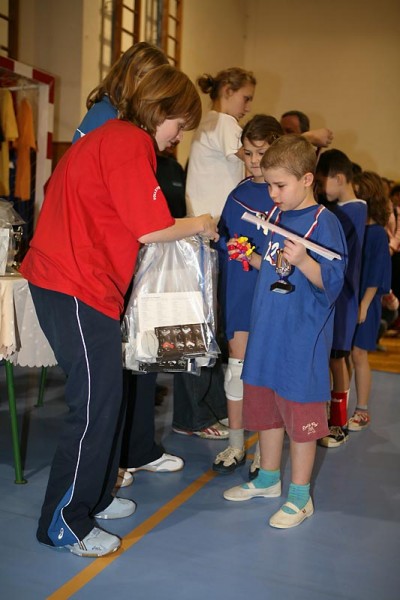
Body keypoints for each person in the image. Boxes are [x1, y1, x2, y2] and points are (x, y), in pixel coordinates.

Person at [19, 64, 219, 557]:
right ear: (160, 110)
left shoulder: (107, 136)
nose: (177, 137)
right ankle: (66, 522)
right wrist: (199, 222)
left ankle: (95, 497)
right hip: (74, 284)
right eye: (179, 125)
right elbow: (150, 227)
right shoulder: (129, 140)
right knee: (95, 405)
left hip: (77, 282)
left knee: (108, 400)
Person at [73, 42, 184, 487]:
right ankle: (114, 463)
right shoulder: (108, 121)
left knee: (142, 355)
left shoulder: (131, 127)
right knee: (109, 379)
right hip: (95, 265)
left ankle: (137, 449)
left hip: (125, 260)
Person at [223, 135, 346, 529]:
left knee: (301, 418)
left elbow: (333, 283)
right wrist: (251, 256)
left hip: (300, 341)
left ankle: (300, 497)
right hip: (267, 334)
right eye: (270, 185)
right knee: (266, 413)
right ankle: (268, 479)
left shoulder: (324, 223)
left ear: (307, 179)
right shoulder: (277, 216)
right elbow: (279, 268)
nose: (272, 194)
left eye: (279, 185)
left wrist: (306, 261)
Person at [212, 114, 283, 477]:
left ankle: (263, 450)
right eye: (249, 153)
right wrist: (222, 242)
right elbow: (224, 236)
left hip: (270, 295)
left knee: (263, 374)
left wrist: (259, 256)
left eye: (262, 152)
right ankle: (236, 443)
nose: (254, 161)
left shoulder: (283, 195)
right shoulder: (238, 193)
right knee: (236, 370)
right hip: (239, 291)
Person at [314, 149, 367, 448]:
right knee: (333, 358)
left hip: (343, 296)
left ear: (340, 178)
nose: (322, 190)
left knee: (337, 359)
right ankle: (331, 419)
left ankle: (339, 423)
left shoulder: (352, 210)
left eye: (323, 182)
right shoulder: (344, 209)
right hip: (336, 294)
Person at [349, 171, 392, 431]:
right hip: (350, 300)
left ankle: (362, 410)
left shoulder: (376, 234)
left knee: (359, 353)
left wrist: (363, 305)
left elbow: (376, 275)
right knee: (343, 355)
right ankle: (339, 403)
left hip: (366, 302)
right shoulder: (356, 229)